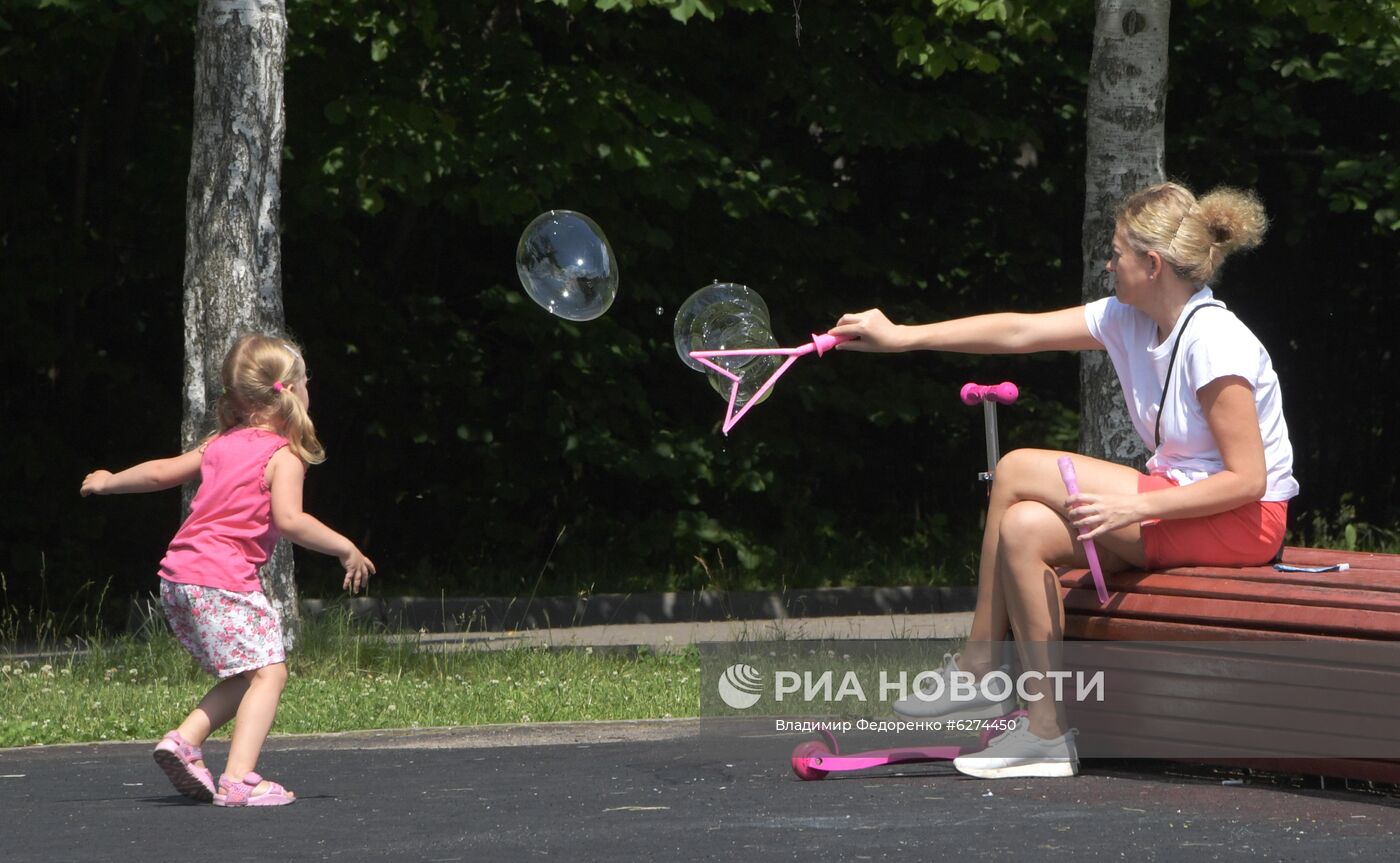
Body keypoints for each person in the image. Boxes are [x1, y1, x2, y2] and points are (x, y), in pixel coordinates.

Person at [828, 182, 1298, 779]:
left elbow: (1249, 482)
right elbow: (1019, 332)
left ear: (1151, 265)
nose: (1109, 263)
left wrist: (1130, 511)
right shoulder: (1130, 319)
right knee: (1024, 528)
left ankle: (976, 663)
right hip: (1181, 504)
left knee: (1018, 466)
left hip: (1242, 521)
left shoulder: (1215, 342)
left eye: (1117, 251)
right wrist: (904, 337)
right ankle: (1045, 731)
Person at [81, 334, 375, 806]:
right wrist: (345, 548)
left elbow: (161, 473)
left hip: (178, 579)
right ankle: (239, 779)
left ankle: (184, 740)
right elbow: (290, 521)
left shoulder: (220, 444)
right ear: (292, 391)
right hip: (222, 581)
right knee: (270, 673)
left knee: (247, 673)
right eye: (307, 382)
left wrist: (110, 481)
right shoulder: (283, 456)